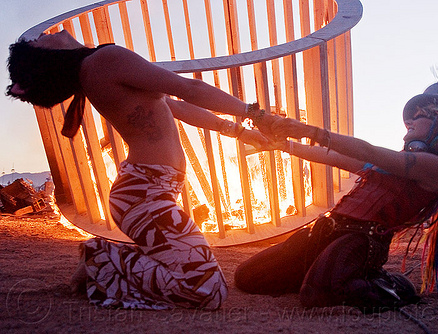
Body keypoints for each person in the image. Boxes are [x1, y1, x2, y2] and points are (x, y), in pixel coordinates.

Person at [6, 30, 269, 310]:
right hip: (144, 196)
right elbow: (189, 89)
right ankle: (100, 256)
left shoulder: (95, 67)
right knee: (209, 291)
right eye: (34, 42)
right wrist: (256, 114)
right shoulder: (104, 60)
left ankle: (109, 259)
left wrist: (240, 131)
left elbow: (173, 106)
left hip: (146, 193)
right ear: (46, 56)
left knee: (191, 272)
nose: (41, 33)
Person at [235, 82, 438, 313]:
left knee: (318, 294)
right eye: (412, 116)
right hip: (325, 232)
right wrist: (280, 146)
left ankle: (390, 288)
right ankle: (317, 271)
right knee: (248, 277)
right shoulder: (392, 163)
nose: (410, 121)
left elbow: (368, 150)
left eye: (420, 115)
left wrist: (309, 131)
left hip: (359, 242)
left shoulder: (436, 166)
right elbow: (331, 156)